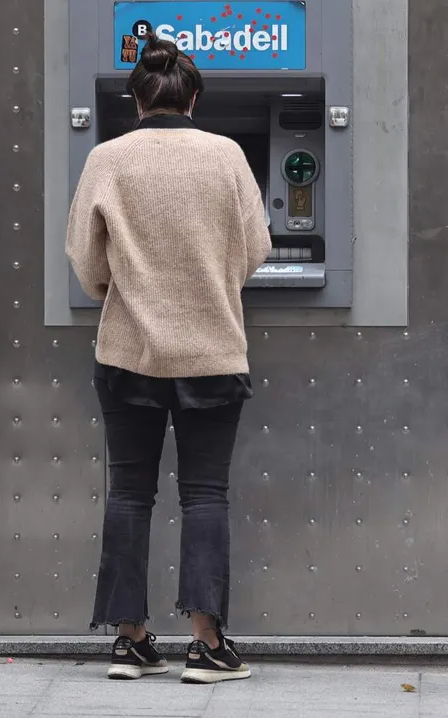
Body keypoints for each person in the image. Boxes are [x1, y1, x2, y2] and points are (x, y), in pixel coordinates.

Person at [66, 35, 271, 684]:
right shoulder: (227, 155)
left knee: (130, 492)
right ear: (196, 98)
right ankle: (207, 646)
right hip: (211, 349)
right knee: (204, 493)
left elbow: (85, 259)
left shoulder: (107, 159)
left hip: (127, 349)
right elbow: (257, 249)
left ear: (135, 101)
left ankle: (129, 641)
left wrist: (122, 293)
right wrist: (211, 283)